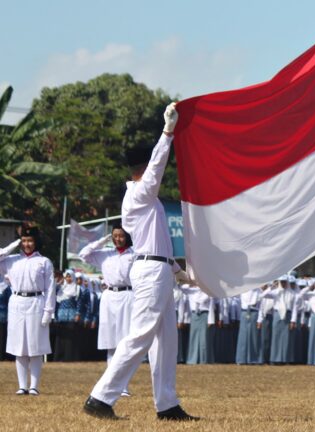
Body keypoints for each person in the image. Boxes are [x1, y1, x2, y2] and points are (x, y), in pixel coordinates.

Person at [84, 103, 197, 421]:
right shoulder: (139, 194)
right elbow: (158, 169)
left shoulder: (147, 199)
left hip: (158, 267)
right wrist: (167, 133)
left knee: (166, 340)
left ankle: (167, 404)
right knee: (141, 335)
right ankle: (100, 397)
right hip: (149, 269)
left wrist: (179, 272)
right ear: (144, 167)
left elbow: (157, 245)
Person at [79, 224, 135, 396]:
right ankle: (112, 385)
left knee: (124, 342)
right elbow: (83, 254)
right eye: (114, 236)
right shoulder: (105, 255)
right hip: (109, 297)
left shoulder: (134, 254)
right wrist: (101, 241)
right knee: (110, 342)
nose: (117, 239)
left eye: (121, 236)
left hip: (128, 296)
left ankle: (123, 385)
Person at [0, 227, 56, 396]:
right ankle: (22, 385)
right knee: (19, 346)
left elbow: (51, 288)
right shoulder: (11, 260)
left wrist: (48, 311)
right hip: (17, 302)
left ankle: (34, 386)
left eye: (30, 240)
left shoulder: (44, 262)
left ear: (36, 242)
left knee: (35, 346)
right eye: (24, 241)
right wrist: (14, 243)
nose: (27, 244)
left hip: (36, 302)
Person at [53, 269, 85, 361]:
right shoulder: (60, 288)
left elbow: (79, 303)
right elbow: (55, 300)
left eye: (70, 276)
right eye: (66, 276)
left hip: (72, 315)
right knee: (61, 337)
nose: (68, 278)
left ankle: (70, 357)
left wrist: (78, 314)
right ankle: (60, 358)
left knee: (71, 337)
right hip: (61, 315)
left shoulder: (77, 288)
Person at [236, 286, 262, 365]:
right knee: (243, 337)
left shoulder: (258, 290)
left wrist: (260, 319)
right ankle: (241, 359)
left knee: (253, 336)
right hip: (244, 313)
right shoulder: (242, 289)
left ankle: (254, 359)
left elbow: (261, 306)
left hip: (254, 313)